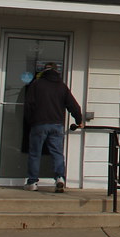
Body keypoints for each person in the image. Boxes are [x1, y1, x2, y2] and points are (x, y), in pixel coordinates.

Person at [23, 62, 83, 192]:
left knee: (35, 153)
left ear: (44, 71)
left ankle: (32, 182)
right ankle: (59, 178)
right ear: (57, 72)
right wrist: (79, 120)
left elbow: (28, 105)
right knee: (57, 153)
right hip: (57, 124)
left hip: (38, 124)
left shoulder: (36, 85)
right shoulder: (61, 87)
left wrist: (30, 121)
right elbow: (74, 106)